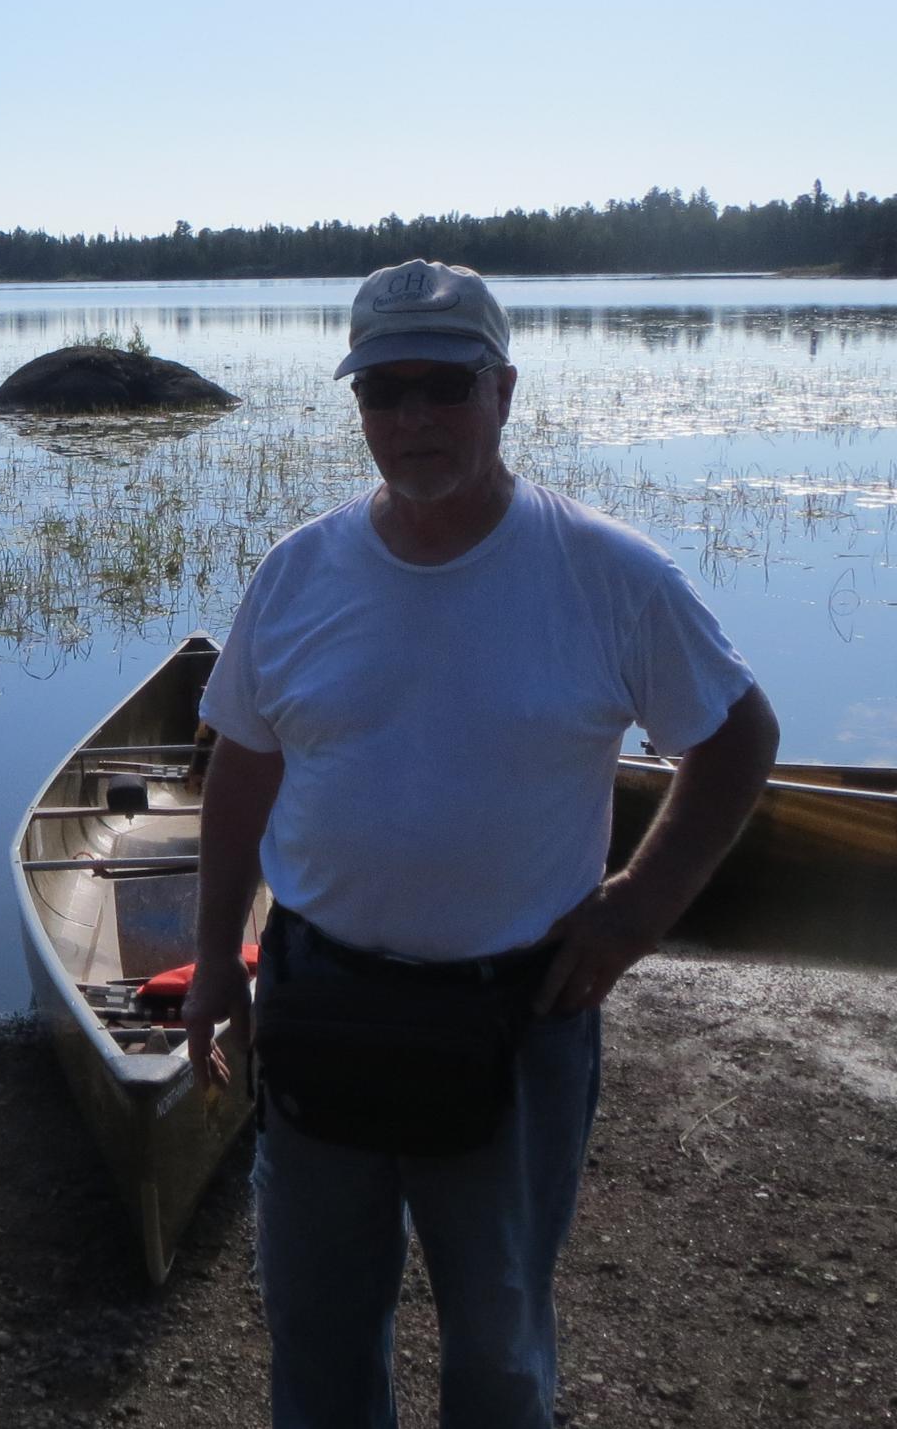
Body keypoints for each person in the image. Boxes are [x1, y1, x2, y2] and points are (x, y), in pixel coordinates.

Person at [181, 259, 779, 1429]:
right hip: (320, 996)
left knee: (500, 1348)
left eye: (442, 385)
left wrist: (633, 908)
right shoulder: (298, 571)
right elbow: (242, 768)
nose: (411, 418)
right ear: (356, 403)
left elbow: (737, 736)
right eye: (382, 389)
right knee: (315, 1332)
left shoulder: (606, 573)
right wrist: (214, 958)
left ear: (502, 389)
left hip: (514, 1018)